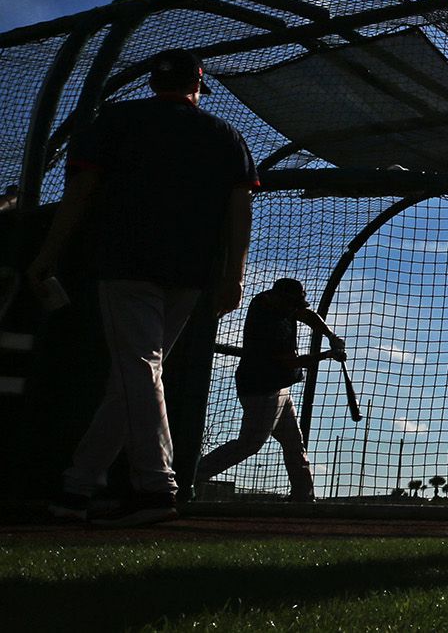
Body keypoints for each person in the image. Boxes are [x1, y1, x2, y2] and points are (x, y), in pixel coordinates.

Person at [30, 48, 258, 527]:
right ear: (197, 86)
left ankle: (155, 487)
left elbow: (79, 195)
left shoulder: (116, 120)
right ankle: (77, 486)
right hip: (191, 274)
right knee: (136, 376)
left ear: (155, 83)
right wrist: (234, 274)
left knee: (138, 371)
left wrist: (47, 255)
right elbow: (241, 213)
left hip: (126, 265)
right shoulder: (225, 135)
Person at [195, 278, 346, 501]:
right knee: (249, 444)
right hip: (261, 389)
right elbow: (289, 363)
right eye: (292, 305)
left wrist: (330, 335)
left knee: (294, 443)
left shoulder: (272, 302)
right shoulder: (268, 324)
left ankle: (303, 496)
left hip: (278, 389)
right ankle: (192, 476)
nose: (295, 310)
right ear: (280, 300)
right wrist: (327, 355)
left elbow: (306, 315)